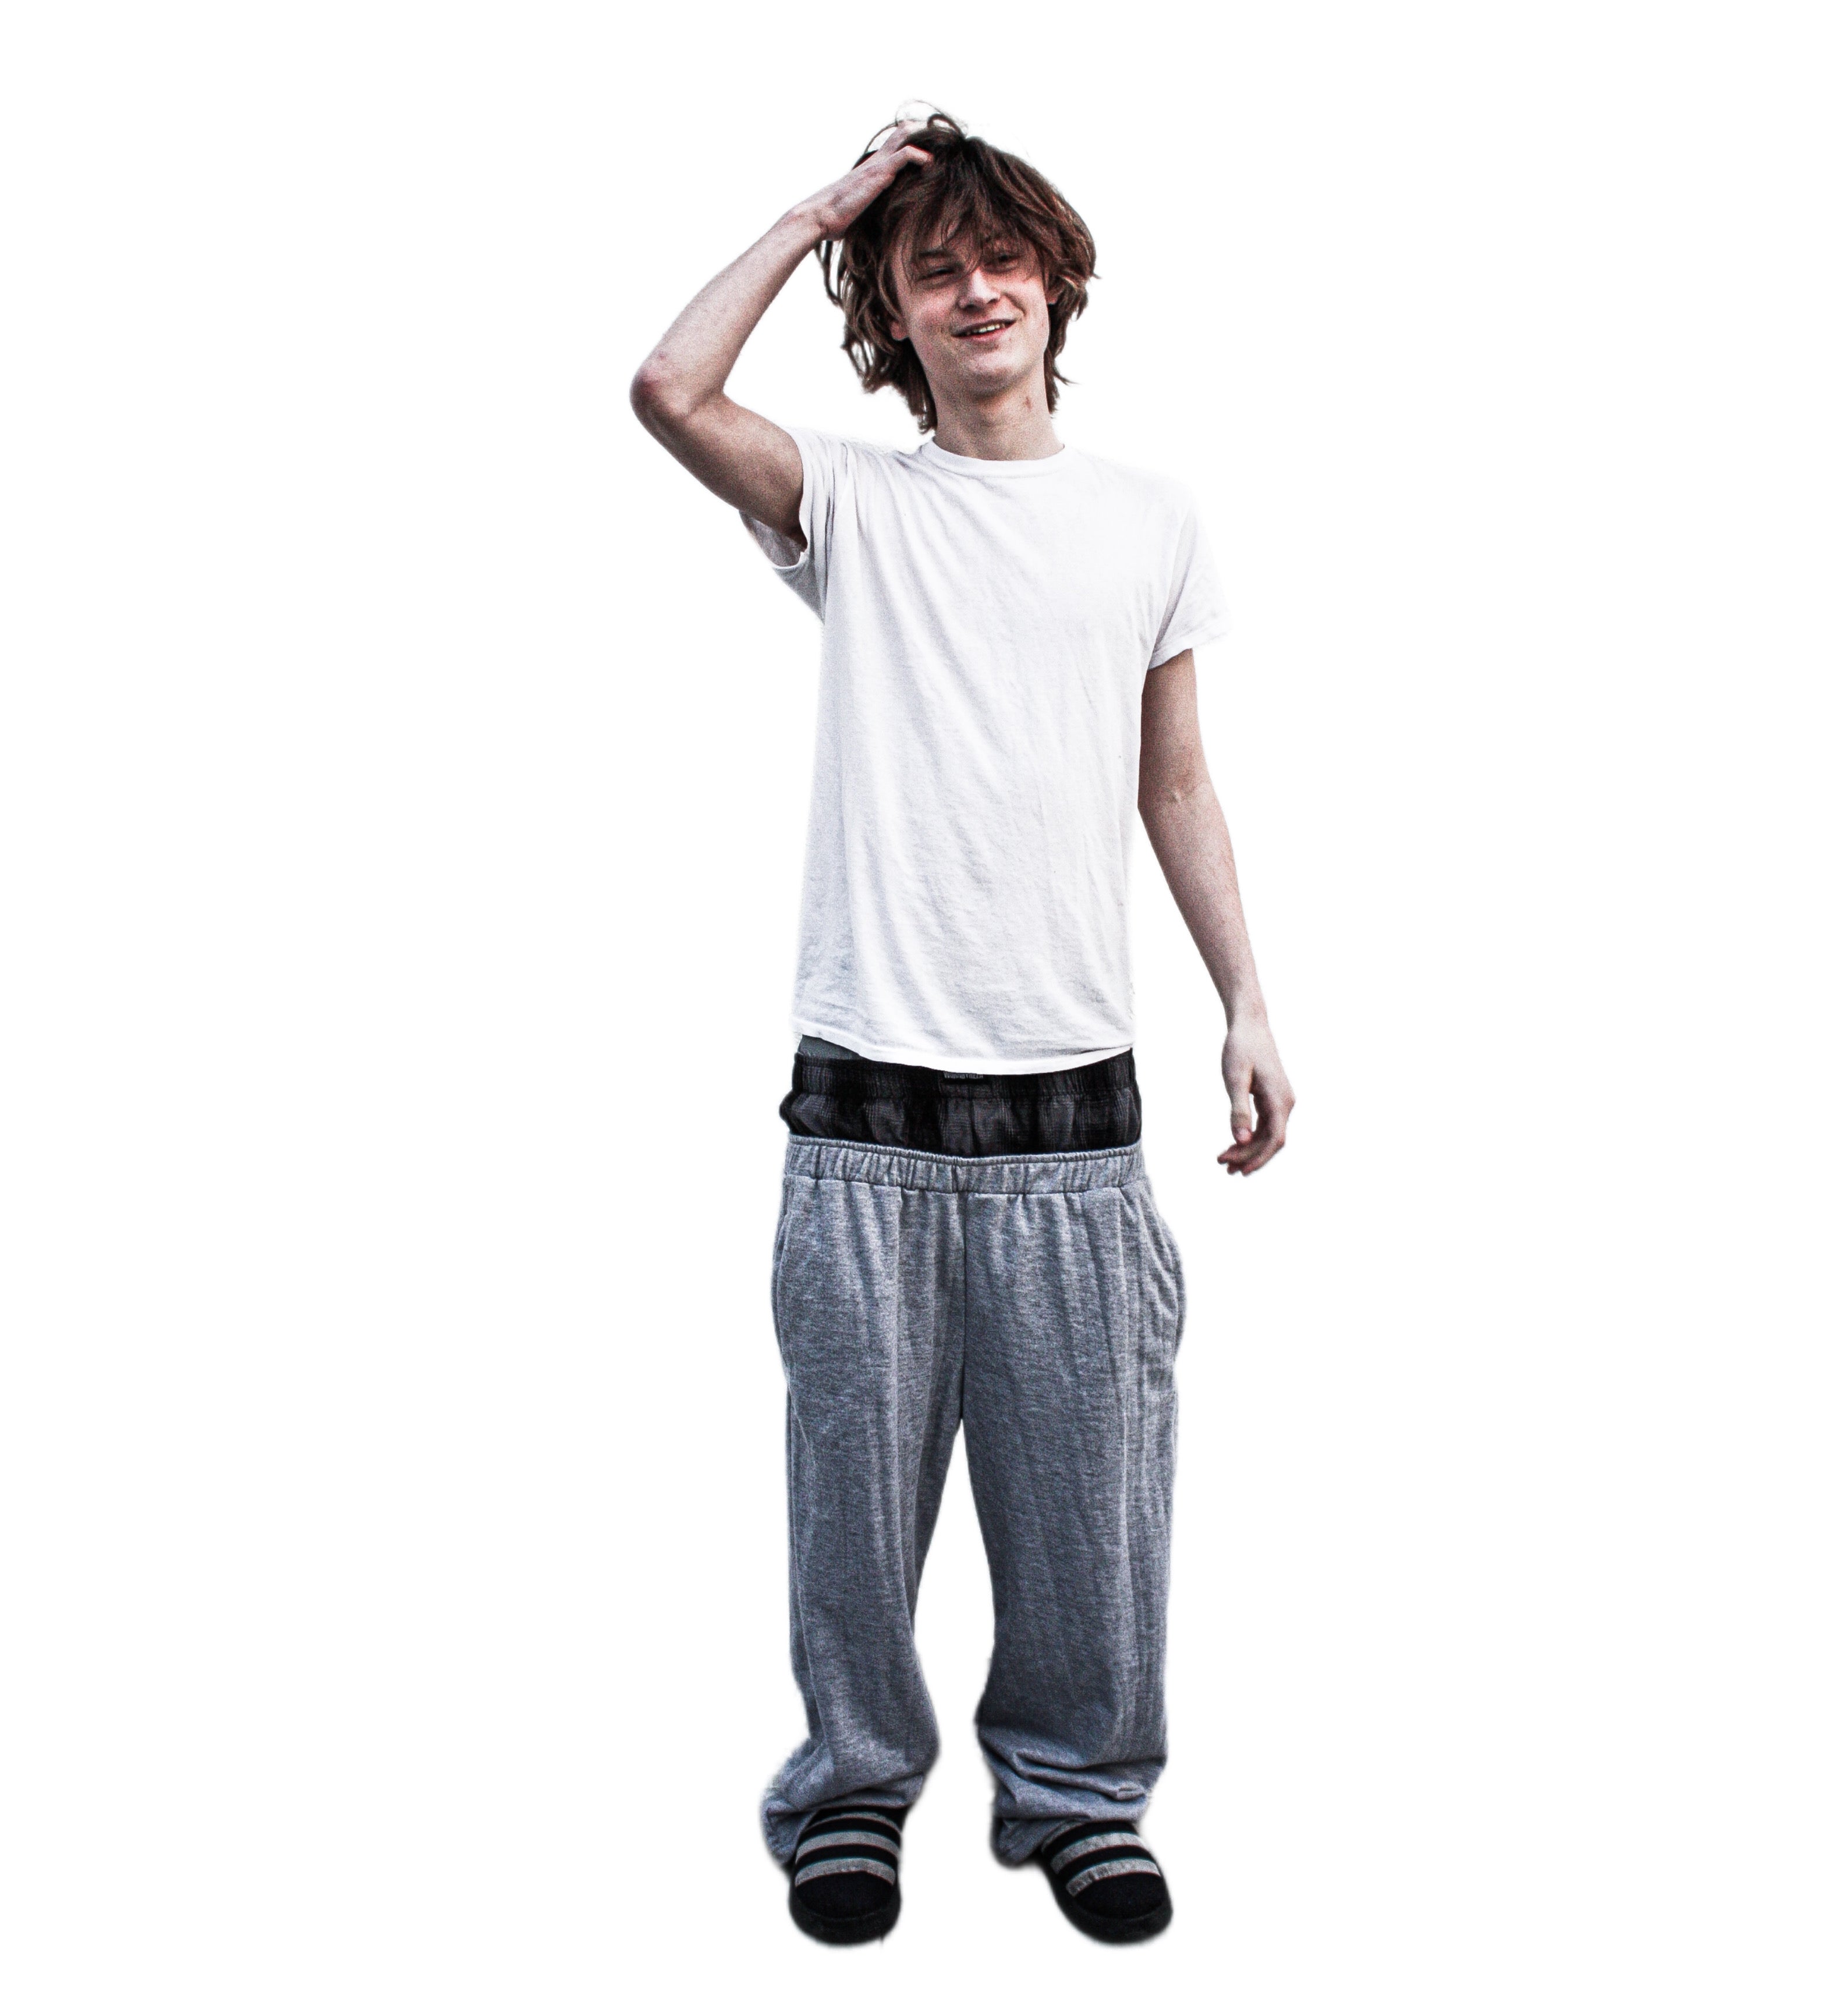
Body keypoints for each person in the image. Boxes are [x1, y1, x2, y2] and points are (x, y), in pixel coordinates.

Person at [630, 112, 1293, 1947]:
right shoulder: (852, 502)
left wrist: (1247, 999)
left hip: (1074, 1125)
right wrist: (824, 210)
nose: (977, 290)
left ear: (1055, 284)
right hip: (866, 1123)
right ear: (894, 316)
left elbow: (1176, 781)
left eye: (1003, 260)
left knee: (1094, 1505)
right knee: (852, 1506)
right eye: (935, 272)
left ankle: (1081, 1798)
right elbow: (669, 387)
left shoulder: (1150, 520)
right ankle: (850, 1796)